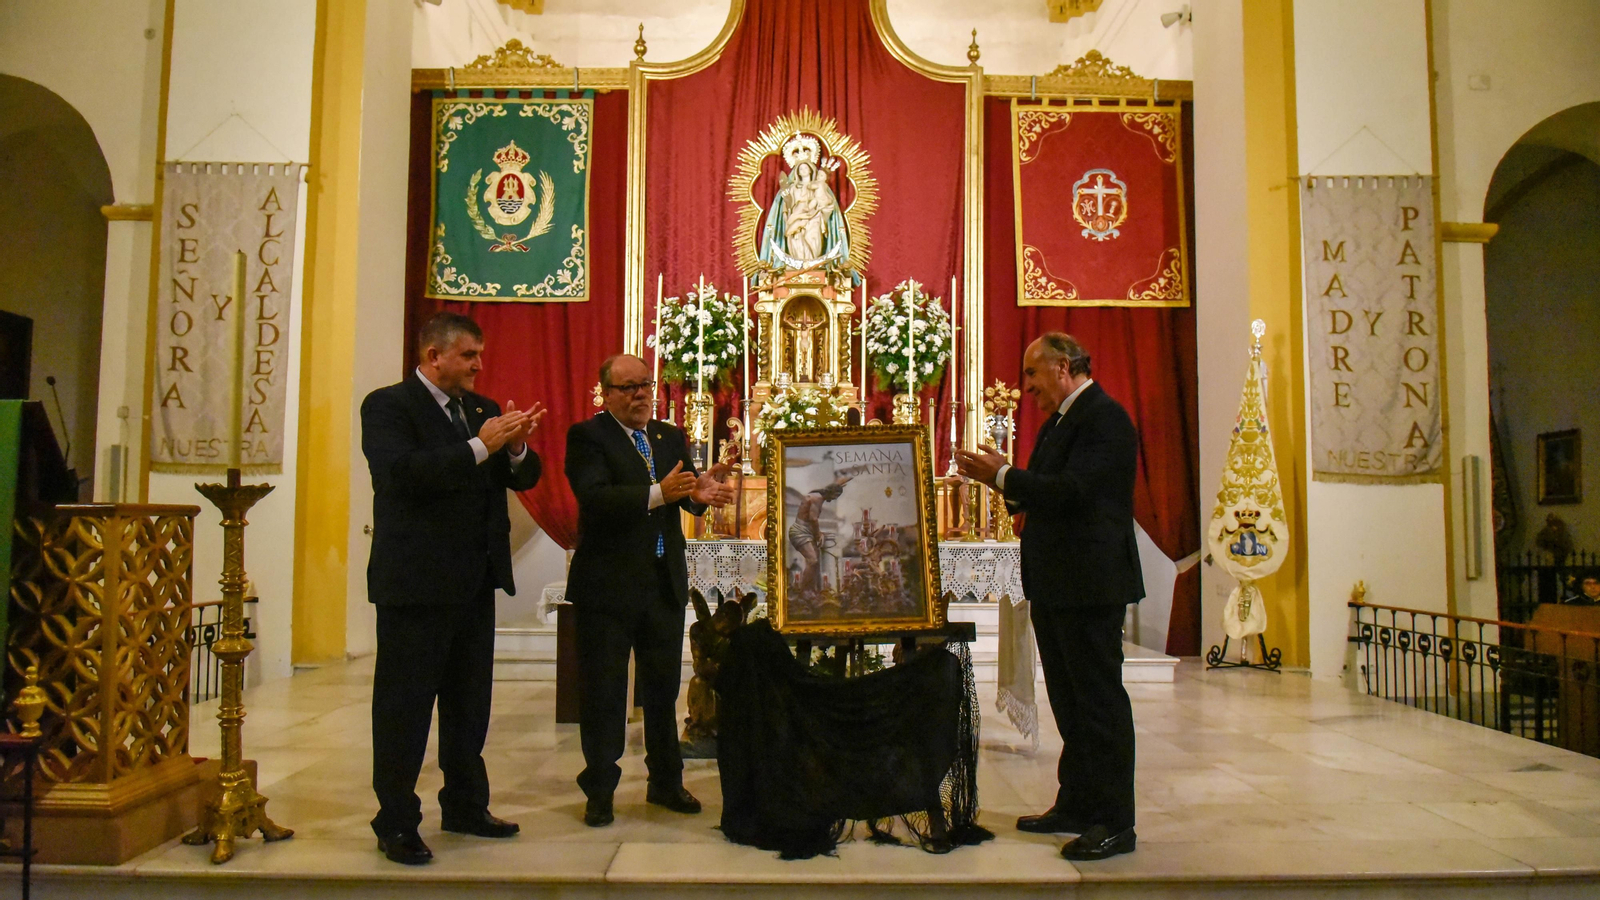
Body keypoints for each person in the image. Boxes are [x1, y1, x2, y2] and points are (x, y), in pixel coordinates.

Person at [360, 312, 545, 865]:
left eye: (479, 355)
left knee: (469, 705)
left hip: (473, 582)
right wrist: (481, 448)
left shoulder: (482, 410)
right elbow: (400, 474)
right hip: (415, 585)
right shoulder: (388, 405)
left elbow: (523, 477)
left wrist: (513, 448)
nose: (479, 365)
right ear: (433, 355)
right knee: (405, 707)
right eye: (468, 355)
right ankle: (395, 819)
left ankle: (465, 804)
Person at [955, 332, 1142, 862]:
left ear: (1062, 367)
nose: (1027, 386)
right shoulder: (1063, 420)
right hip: (1063, 582)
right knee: (1069, 699)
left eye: (1032, 374)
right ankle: (1078, 803)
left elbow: (1076, 493)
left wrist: (1006, 475)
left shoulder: (1105, 418)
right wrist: (1001, 480)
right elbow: (1044, 488)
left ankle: (1114, 821)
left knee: (1099, 702)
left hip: (1091, 582)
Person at [565, 354, 736, 827]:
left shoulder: (667, 436)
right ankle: (600, 789)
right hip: (608, 586)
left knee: (662, 691)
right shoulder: (588, 437)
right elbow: (596, 499)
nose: (641, 394)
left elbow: (681, 495)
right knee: (605, 692)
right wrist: (662, 492)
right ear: (606, 393)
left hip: (661, 582)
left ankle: (665, 781)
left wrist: (698, 496)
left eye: (646, 385)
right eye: (628, 387)